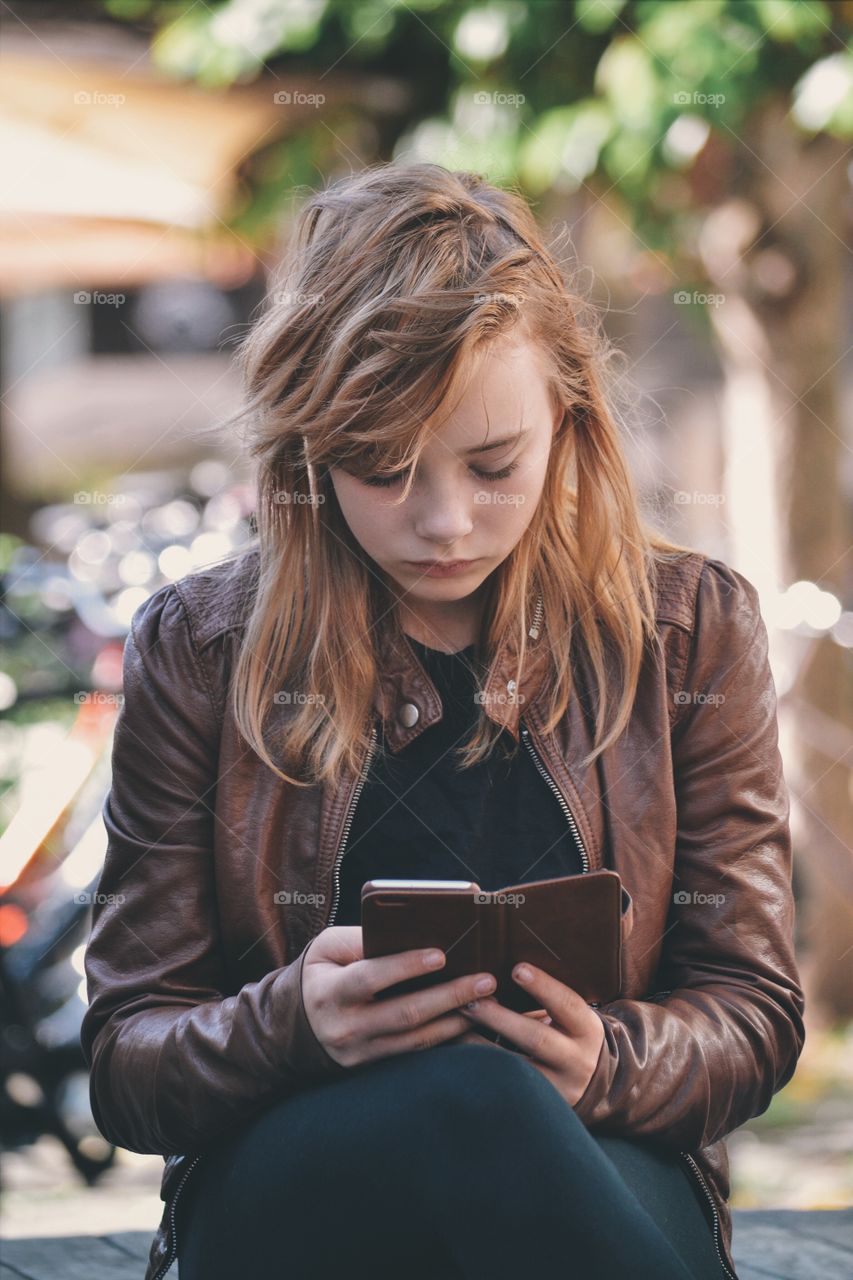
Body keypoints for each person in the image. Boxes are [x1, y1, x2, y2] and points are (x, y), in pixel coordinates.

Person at [80, 162, 805, 1280]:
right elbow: (128, 1061)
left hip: (596, 1159)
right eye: (383, 469)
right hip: (296, 1177)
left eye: (492, 463)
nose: (444, 522)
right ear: (311, 448)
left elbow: (754, 1013)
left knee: (500, 1104)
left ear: (567, 422)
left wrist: (600, 1066)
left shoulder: (691, 630)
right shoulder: (203, 645)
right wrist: (293, 1023)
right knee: (469, 1093)